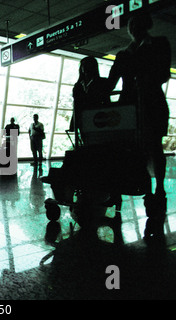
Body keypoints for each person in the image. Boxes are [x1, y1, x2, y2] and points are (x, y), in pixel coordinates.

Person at [108, 14, 171, 238]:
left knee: (154, 146)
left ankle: (159, 187)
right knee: (133, 149)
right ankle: (144, 185)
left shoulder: (160, 43)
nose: (133, 28)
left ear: (147, 25)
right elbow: (111, 81)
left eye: (137, 24)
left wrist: (143, 77)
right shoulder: (124, 54)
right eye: (131, 25)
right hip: (128, 109)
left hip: (151, 104)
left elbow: (163, 73)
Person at [71, 56, 110, 140]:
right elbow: (76, 105)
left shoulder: (102, 82)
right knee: (86, 141)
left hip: (98, 118)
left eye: (87, 65)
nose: (84, 67)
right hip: (83, 119)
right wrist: (74, 122)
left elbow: (106, 101)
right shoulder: (78, 86)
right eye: (83, 65)